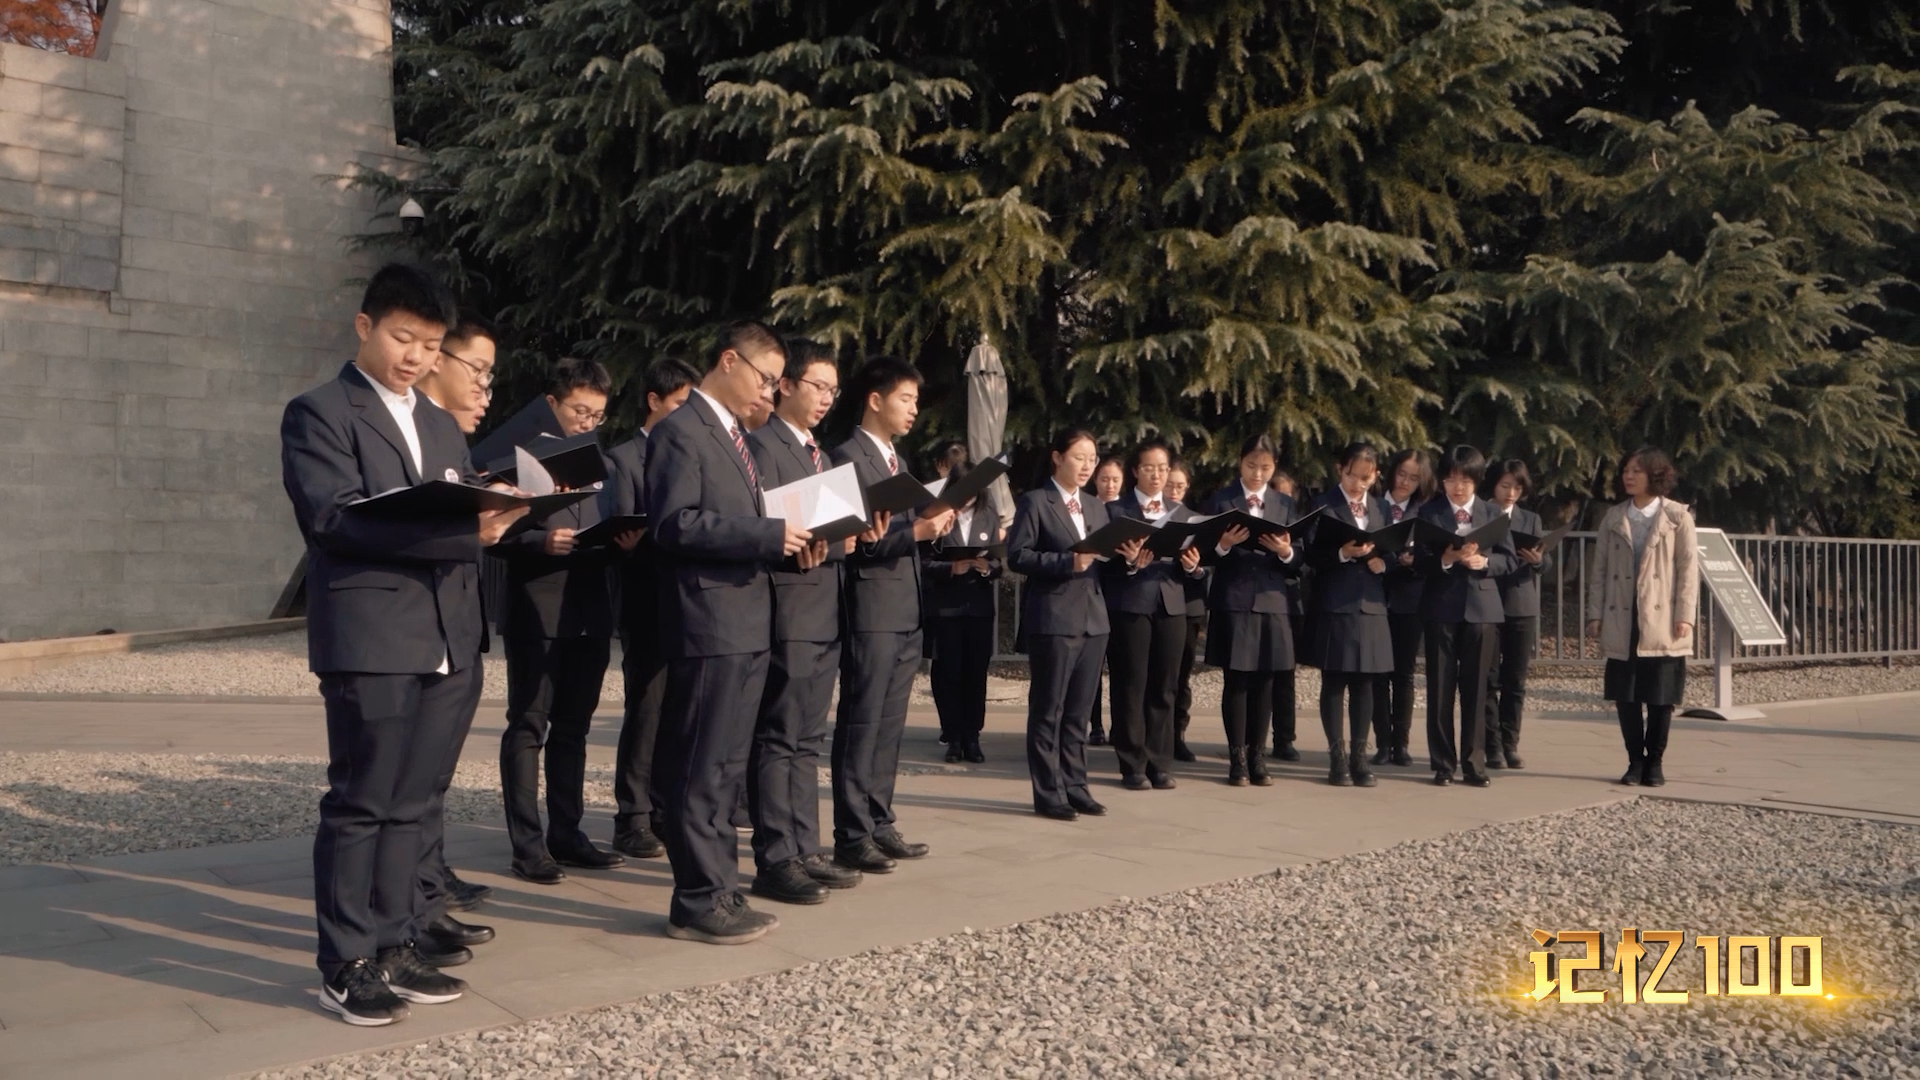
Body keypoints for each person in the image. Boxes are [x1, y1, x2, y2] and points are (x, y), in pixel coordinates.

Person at [281, 264, 525, 1025]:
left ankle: (394, 944)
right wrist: (465, 531)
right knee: (363, 801)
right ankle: (345, 962)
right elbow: (336, 519)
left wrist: (499, 513)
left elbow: (452, 512)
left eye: (428, 345)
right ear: (365, 327)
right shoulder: (320, 413)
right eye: (402, 338)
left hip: (449, 637)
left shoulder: (440, 423)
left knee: (414, 803)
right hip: (373, 637)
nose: (415, 357)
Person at [646, 321, 813, 945]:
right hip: (709, 621)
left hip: (746, 618)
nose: (769, 393)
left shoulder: (734, 436)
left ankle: (719, 888)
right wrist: (766, 535)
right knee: (701, 764)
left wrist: (790, 543)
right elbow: (675, 523)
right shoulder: (681, 430)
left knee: (725, 767)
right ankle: (695, 899)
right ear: (727, 360)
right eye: (766, 379)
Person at [486, 358, 626, 884]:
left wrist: (622, 539)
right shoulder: (517, 459)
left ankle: (567, 833)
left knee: (574, 727)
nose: (587, 423)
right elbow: (491, 534)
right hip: (538, 609)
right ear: (552, 403)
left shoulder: (603, 464)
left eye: (596, 415)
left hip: (590, 609)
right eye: (578, 411)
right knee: (529, 725)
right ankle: (527, 845)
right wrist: (540, 541)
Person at [743, 340, 861, 905]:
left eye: (832, 390)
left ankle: (805, 846)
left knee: (808, 738)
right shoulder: (760, 447)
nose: (825, 398)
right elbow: (761, 525)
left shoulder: (826, 457)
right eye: (817, 386)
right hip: (786, 607)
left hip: (824, 607)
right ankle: (775, 857)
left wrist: (849, 535)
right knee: (779, 735)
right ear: (785, 385)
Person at [829, 358, 956, 872]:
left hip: (906, 605)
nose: (914, 409)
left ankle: (880, 820)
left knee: (890, 723)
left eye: (916, 401)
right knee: (862, 720)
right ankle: (851, 832)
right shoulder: (846, 458)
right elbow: (855, 543)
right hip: (871, 606)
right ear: (875, 399)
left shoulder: (896, 460)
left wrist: (931, 524)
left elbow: (895, 534)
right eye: (906, 399)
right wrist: (916, 533)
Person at [407, 314, 497, 948]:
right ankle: (410, 908)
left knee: (433, 780)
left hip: (458, 629)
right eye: (478, 370)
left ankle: (427, 894)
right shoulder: (405, 427)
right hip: (409, 631)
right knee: (403, 787)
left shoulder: (447, 436)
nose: (484, 387)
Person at [601, 358, 700, 860]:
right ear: (654, 401)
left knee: (681, 711)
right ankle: (632, 817)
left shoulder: (692, 451)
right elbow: (623, 528)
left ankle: (665, 809)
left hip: (690, 602)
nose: (686, 414)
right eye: (680, 403)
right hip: (645, 600)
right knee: (646, 709)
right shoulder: (623, 458)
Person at [1009, 430, 1134, 820]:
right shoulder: (1035, 502)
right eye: (1079, 457)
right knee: (1049, 709)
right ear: (1057, 457)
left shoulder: (1096, 506)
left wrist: (1130, 559)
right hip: (1054, 618)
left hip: (1094, 619)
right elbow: (1017, 555)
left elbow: (1103, 561)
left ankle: (1077, 787)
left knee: (1079, 713)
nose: (1086, 466)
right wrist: (1066, 562)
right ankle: (1049, 793)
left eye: (1092, 459)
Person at [1586, 448, 1697, 787]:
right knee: (1626, 696)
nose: (1628, 476)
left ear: (1655, 475)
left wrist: (1685, 616)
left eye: (1636, 470)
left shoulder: (1677, 516)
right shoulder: (1614, 517)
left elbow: (1688, 571)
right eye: (1626, 470)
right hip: (1623, 617)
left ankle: (1655, 762)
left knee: (1661, 697)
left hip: (1663, 618)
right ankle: (1635, 761)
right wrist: (1595, 613)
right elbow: (1599, 570)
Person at [1100, 440, 1204, 790]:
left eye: (1162, 468)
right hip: (1130, 605)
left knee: (1165, 685)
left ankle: (1159, 762)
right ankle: (1132, 764)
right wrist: (1129, 563)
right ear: (1135, 471)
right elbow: (1102, 564)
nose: (1157, 475)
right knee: (1131, 685)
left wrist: (1193, 568)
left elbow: (1196, 567)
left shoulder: (1182, 513)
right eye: (1149, 468)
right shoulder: (1116, 511)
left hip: (1171, 605)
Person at [1203, 435, 1302, 787]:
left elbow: (1299, 559)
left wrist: (1285, 551)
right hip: (1235, 599)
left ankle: (1258, 756)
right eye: (1251, 466)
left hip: (1272, 601)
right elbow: (1204, 552)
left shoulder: (1284, 503)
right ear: (1240, 463)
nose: (1258, 474)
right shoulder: (1222, 500)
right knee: (1237, 680)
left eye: (1265, 467)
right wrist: (1223, 545)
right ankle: (1237, 759)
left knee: (1266, 681)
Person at [1415, 445, 1517, 788]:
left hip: (1482, 609)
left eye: (1465, 480)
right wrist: (1444, 559)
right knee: (1440, 688)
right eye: (1450, 479)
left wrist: (1484, 562)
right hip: (1441, 608)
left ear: (1477, 480)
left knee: (1477, 689)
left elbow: (1509, 559)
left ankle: (1475, 764)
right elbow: (1419, 562)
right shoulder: (1429, 512)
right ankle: (1443, 764)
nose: (1457, 487)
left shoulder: (1492, 513)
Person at [1305, 443, 1393, 787]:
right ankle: (1336, 757)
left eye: (1366, 478)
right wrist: (1341, 553)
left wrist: (1383, 562)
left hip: (1370, 603)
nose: (1358, 484)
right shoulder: (1323, 505)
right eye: (1353, 476)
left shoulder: (1380, 507)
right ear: (1340, 470)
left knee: (1365, 681)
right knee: (1334, 680)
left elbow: (1392, 548)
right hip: (1336, 602)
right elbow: (1310, 554)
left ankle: (1360, 756)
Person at [924, 455, 1003, 765]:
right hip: (946, 608)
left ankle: (972, 736)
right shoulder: (937, 515)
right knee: (949, 672)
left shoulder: (988, 515)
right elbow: (923, 562)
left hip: (978, 607)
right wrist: (949, 568)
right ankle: (953, 735)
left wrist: (988, 568)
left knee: (976, 673)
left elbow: (998, 561)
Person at [1483, 459, 1551, 770]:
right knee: (1487, 678)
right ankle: (1491, 744)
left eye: (1517, 488)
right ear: (1494, 485)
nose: (1510, 493)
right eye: (1505, 485)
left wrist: (1537, 560)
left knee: (1515, 679)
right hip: (1487, 601)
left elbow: (1545, 562)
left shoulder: (1530, 519)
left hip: (1521, 605)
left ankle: (1510, 743)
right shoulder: (1481, 513)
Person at [1370, 449, 1433, 767]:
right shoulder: (1374, 505)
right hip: (1376, 597)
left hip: (1410, 598)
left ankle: (1401, 744)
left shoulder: (1425, 512)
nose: (1405, 482)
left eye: (1414, 478)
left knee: (1404, 674)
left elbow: (1432, 555)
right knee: (1378, 674)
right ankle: (1382, 743)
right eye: (1402, 474)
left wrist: (1413, 561)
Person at [1084, 455, 1126, 747]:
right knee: (1093, 667)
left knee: (1122, 666)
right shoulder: (1088, 508)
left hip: (1121, 593)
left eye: (1115, 479)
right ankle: (1095, 724)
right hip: (1092, 590)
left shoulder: (1127, 511)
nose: (1110, 485)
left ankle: (1121, 726)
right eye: (1104, 479)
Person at [1165, 460, 1205, 763]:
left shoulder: (1195, 520)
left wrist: (1196, 568)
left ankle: (1177, 734)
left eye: (1180, 486)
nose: (1174, 491)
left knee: (1181, 676)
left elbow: (1208, 565)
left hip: (1188, 605)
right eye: (1170, 485)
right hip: (1158, 602)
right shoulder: (1152, 516)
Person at [1267, 465, 1304, 762]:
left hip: (1288, 601)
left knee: (1285, 673)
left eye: (1287, 496)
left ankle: (1284, 737)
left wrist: (1286, 552)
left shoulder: (1295, 524)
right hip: (1258, 599)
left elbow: (1302, 562)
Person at [415, 315, 494, 436]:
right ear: (436, 359)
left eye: (486, 373)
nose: (483, 382)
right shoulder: (398, 415)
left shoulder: (453, 435)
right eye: (477, 369)